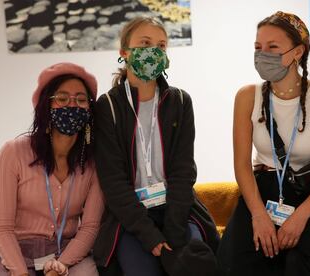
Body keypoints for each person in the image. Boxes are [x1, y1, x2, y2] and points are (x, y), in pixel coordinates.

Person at [216, 11, 310, 276]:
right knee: (234, 265)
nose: (262, 54)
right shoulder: (247, 97)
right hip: (262, 192)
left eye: (273, 47)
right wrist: (258, 215)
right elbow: (242, 166)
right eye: (258, 47)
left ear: (297, 52)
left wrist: (300, 217)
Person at [92, 17, 219, 276]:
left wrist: (173, 232)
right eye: (145, 43)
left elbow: (184, 171)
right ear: (124, 52)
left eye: (161, 46)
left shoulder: (180, 101)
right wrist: (150, 236)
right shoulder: (107, 107)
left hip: (177, 211)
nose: (154, 51)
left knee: (194, 267)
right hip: (132, 219)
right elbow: (113, 182)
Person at [0, 63, 104, 276]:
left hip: (67, 252)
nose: (72, 106)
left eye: (81, 100)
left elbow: (90, 227)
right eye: (62, 99)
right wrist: (20, 272)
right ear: (46, 105)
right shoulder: (13, 152)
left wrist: (61, 265)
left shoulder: (93, 162)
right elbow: (2, 228)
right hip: (13, 250)